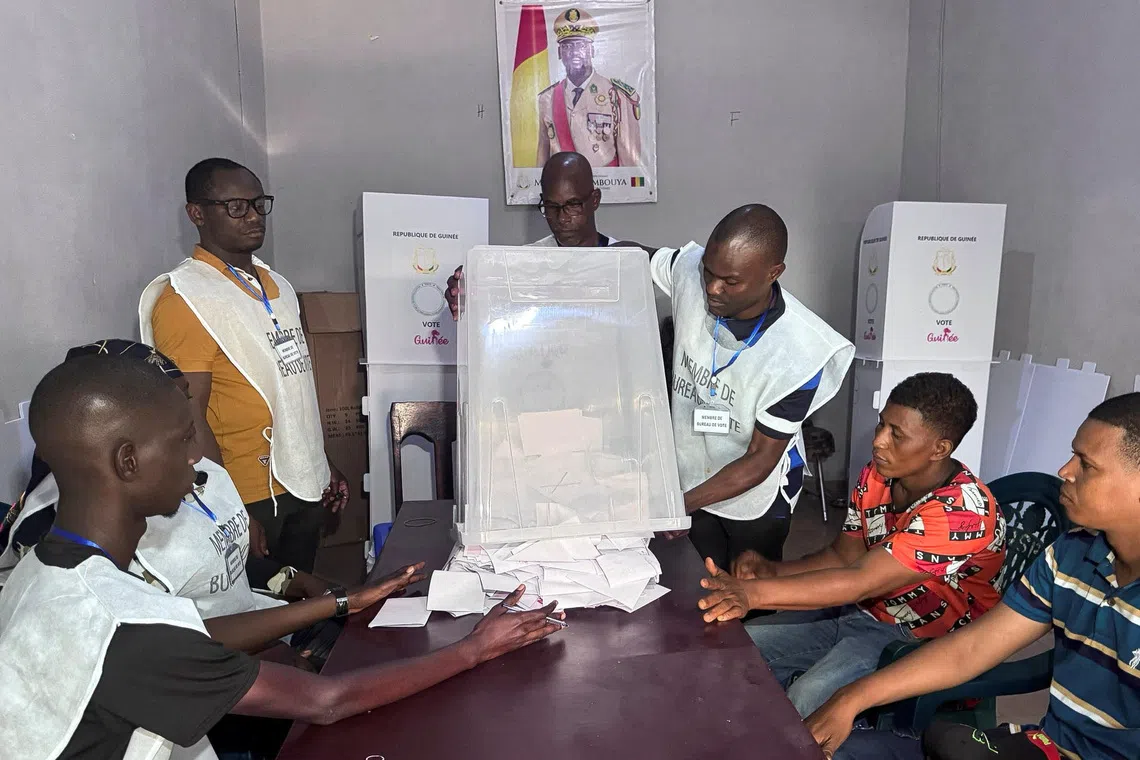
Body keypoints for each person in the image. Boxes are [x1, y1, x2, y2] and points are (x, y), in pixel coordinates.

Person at [0, 354, 564, 760]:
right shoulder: (125, 630)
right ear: (127, 461)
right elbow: (327, 701)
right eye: (182, 439)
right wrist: (475, 648)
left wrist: (341, 601)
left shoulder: (45, 570)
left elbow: (188, 635)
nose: (196, 457)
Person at [0, 340, 373, 670]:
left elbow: (226, 567)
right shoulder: (92, 529)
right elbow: (154, 647)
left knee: (372, 640)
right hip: (210, 667)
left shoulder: (193, 470)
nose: (194, 447)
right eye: (173, 411)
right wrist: (311, 621)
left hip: (260, 625)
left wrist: (300, 583)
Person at [807, 393, 1140, 760]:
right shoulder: (1070, 554)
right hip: (1047, 747)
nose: (1065, 470)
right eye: (1072, 455)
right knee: (823, 747)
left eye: (1086, 465)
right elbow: (972, 649)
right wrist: (851, 698)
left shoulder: (963, 507)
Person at [698, 373, 1006, 718]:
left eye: (896, 434)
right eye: (881, 424)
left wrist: (751, 594)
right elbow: (843, 556)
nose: (878, 441)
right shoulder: (877, 476)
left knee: (808, 698)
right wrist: (772, 571)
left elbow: (861, 580)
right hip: (858, 610)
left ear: (940, 449)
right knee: (737, 648)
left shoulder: (961, 512)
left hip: (919, 640)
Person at [139, 157, 345, 574]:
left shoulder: (278, 286)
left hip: (302, 480)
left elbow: (291, 389)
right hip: (249, 494)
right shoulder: (186, 299)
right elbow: (188, 413)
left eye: (258, 203)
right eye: (235, 206)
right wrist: (228, 507)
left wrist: (323, 462)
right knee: (264, 606)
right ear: (196, 213)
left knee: (302, 600)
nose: (253, 216)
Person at [649, 204, 853, 571]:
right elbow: (636, 257)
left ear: (773, 273)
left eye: (730, 282)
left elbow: (760, 458)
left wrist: (680, 505)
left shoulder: (800, 351)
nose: (712, 288)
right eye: (708, 272)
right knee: (700, 574)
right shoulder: (694, 271)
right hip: (693, 474)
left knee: (750, 582)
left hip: (755, 497)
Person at [445, 151, 617, 320]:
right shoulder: (527, 261)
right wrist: (466, 284)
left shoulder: (623, 262)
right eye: (551, 207)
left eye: (572, 205)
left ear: (595, 199)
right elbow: (487, 282)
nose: (562, 218)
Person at [536, 8, 641, 168]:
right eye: (567, 46)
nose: (574, 52)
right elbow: (542, 157)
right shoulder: (547, 98)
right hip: (563, 182)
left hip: (604, 182)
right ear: (559, 53)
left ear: (592, 50)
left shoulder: (616, 95)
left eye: (581, 45)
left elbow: (629, 160)